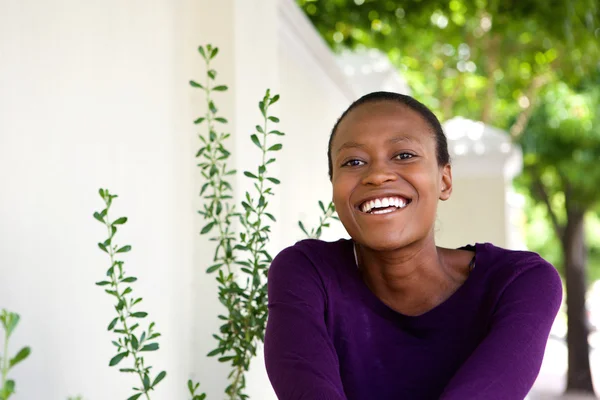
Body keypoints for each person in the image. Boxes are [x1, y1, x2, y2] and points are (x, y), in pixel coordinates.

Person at [263, 92, 563, 400]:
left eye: (404, 155)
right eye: (353, 161)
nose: (377, 175)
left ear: (444, 181)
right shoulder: (308, 273)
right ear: (334, 190)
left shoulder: (518, 282)